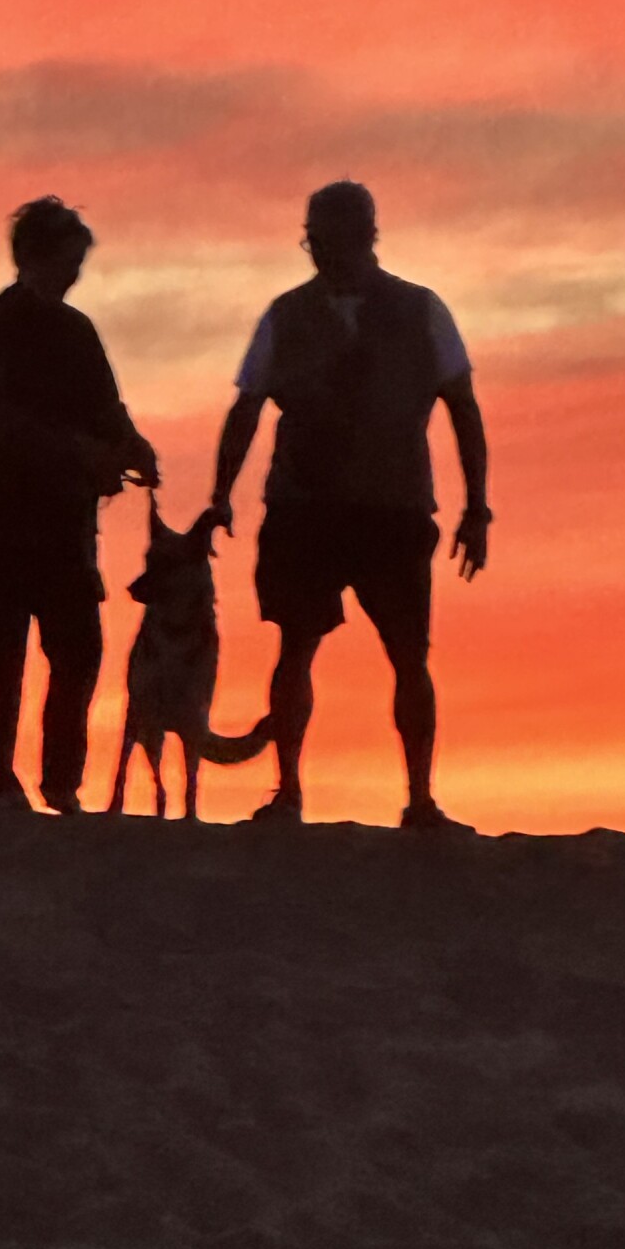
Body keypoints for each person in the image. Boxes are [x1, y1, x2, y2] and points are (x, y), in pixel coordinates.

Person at [209, 181, 490, 828]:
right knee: (296, 645)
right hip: (304, 508)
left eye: (329, 240)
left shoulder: (422, 312)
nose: (320, 253)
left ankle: (420, 799)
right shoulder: (285, 316)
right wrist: (220, 495)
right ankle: (287, 793)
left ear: (365, 237)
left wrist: (478, 507)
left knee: (408, 655)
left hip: (392, 508)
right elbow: (246, 407)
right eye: (313, 241)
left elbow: (463, 409)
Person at [0, 196, 159, 813]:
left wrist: (131, 444)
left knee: (79, 651)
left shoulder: (77, 331)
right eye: (67, 260)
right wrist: (82, 455)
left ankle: (62, 783)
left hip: (64, 525)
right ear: (34, 257)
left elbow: (106, 404)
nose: (74, 274)